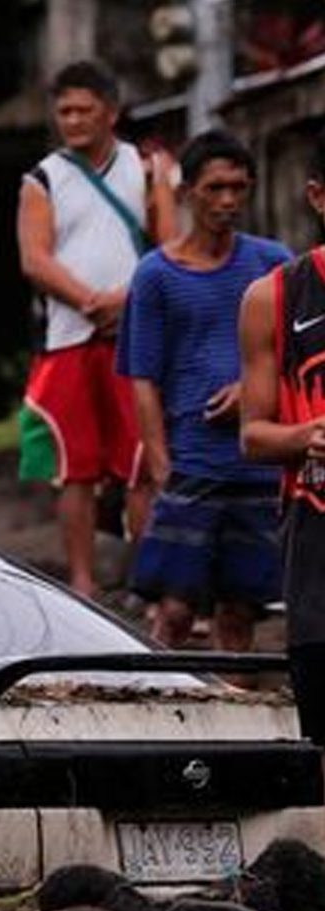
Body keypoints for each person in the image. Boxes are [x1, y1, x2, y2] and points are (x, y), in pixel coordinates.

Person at [119, 132, 292, 652]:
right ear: (189, 190)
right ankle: (161, 713)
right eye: (215, 188)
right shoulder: (155, 275)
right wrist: (160, 465)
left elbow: (299, 355)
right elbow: (142, 376)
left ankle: (233, 722)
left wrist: (253, 390)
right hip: (191, 462)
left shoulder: (273, 263)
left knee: (240, 610)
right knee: (172, 609)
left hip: (256, 462)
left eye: (238, 188)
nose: (227, 201)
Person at [16, 59, 174, 594]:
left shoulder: (148, 168)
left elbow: (169, 247)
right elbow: (34, 260)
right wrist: (91, 301)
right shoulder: (42, 179)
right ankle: (82, 583)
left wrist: (127, 302)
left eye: (85, 109)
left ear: (111, 111)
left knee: (140, 461)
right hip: (68, 337)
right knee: (74, 467)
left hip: (137, 335)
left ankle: (143, 582)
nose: (74, 120)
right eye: (64, 111)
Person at [240, 133, 325, 744]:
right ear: (318, 197)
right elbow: (254, 435)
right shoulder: (274, 296)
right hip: (316, 536)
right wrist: (307, 435)